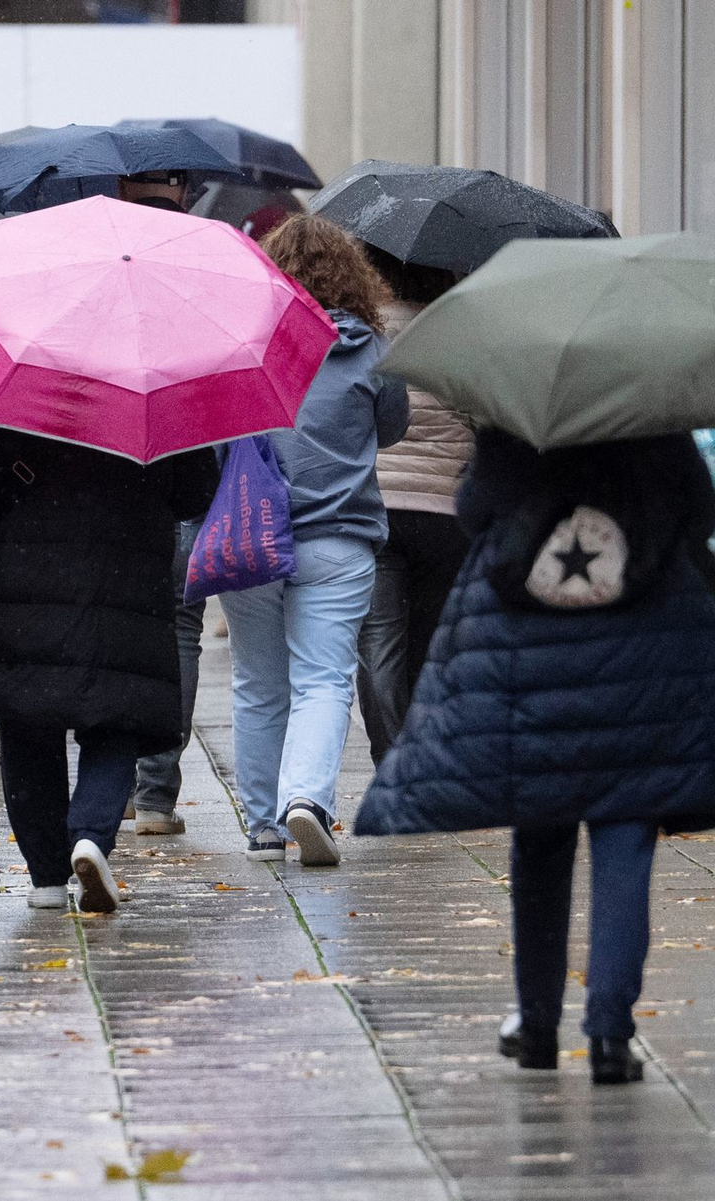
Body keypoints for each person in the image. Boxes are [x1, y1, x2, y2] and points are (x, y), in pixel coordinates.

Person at [355, 429, 715, 1085]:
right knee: (626, 841)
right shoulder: (653, 420)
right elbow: (698, 511)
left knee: (540, 841)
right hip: (642, 659)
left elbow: (473, 508)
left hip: (531, 653)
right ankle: (610, 1035)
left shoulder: (520, 423)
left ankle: (539, 1023)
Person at [0, 403, 218, 913]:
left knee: (25, 717)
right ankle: (91, 837)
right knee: (119, 712)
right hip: (127, 570)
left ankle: (46, 878)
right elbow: (194, 491)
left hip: (22, 565)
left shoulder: (17, 371)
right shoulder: (153, 382)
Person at [221, 213, 408, 867]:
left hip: (249, 537)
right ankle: (307, 800)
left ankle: (264, 825)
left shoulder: (246, 342)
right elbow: (393, 430)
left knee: (258, 682)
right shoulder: (374, 351)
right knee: (324, 680)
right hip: (338, 537)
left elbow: (218, 436)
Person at [355, 251, 473, 763]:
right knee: (430, 640)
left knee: (379, 644)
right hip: (443, 511)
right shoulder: (461, 330)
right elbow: (484, 413)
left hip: (376, 507)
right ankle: (426, 755)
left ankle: (390, 756)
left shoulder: (364, 333)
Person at [116, 168, 207, 835]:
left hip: (117, 482)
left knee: (112, 628)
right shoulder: (204, 275)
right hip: (186, 474)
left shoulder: (102, 275)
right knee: (180, 627)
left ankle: (109, 783)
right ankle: (155, 797)